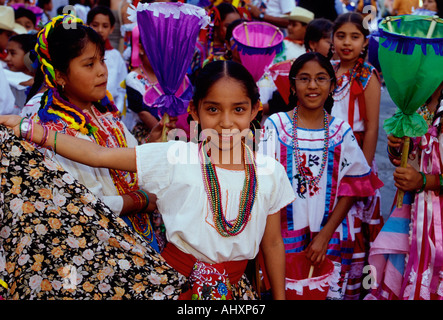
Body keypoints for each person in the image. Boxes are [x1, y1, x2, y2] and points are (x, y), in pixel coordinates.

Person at [0, 59, 296, 300]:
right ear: (194, 111)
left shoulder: (270, 171)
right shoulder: (175, 156)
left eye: (239, 109)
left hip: (236, 293)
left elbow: (271, 243)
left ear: (256, 109)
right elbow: (99, 156)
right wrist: (29, 129)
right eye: (213, 109)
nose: (226, 122)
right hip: (174, 285)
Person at [23, 14, 163, 251]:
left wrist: (152, 142)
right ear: (59, 75)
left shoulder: (103, 114)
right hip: (102, 249)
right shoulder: (52, 130)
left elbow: (129, 160)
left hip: (141, 237)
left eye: (102, 60)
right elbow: (85, 204)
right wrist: (140, 199)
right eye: (89, 64)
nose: (102, 72)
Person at [260, 52, 383, 299]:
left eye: (321, 78)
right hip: (280, 237)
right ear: (293, 85)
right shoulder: (275, 126)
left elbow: (353, 186)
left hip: (330, 236)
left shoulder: (340, 131)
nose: (313, 85)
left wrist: (325, 235)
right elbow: (262, 187)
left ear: (332, 86)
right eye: (304, 79)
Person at [367, 81, 443, 300]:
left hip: (436, 219)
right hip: (411, 214)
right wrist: (396, 145)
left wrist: (423, 181)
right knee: (402, 277)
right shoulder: (415, 103)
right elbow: (404, 158)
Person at [330, 12, 383, 299]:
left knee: (354, 227)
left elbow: (372, 128)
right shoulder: (326, 70)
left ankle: (354, 290)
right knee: (330, 224)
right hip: (328, 161)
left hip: (356, 161)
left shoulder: (367, 76)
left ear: (364, 42)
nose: (347, 43)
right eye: (341, 36)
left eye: (354, 36)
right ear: (332, 38)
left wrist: (362, 172)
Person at [125, 25, 191, 145]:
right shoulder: (133, 79)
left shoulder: (172, 76)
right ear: (141, 49)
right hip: (149, 137)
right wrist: (168, 135)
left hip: (177, 136)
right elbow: (143, 114)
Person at [87, 5, 128, 122]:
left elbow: (122, 89)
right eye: (95, 25)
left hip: (111, 114)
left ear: (111, 28)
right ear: (87, 25)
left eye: (105, 26)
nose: (100, 30)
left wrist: (117, 110)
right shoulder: (82, 55)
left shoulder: (115, 56)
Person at [4, 33, 37, 111]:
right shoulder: (7, 77)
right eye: (7, 52)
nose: (7, 58)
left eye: (13, 53)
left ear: (29, 55)